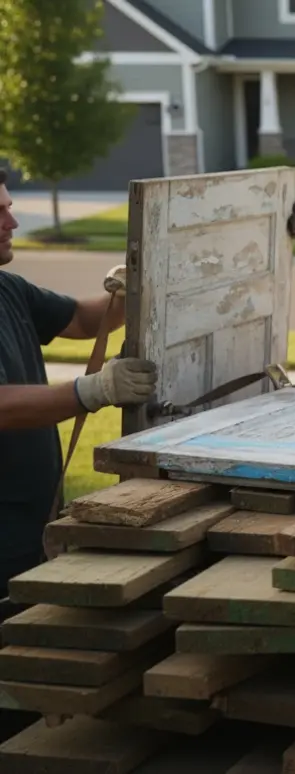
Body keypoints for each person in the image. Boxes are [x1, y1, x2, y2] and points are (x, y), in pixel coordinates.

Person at [0, 169, 159, 607]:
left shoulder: (8, 289)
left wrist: (128, 291)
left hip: (30, 520)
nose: (12, 223)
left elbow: (83, 320)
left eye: (9, 208)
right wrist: (94, 390)